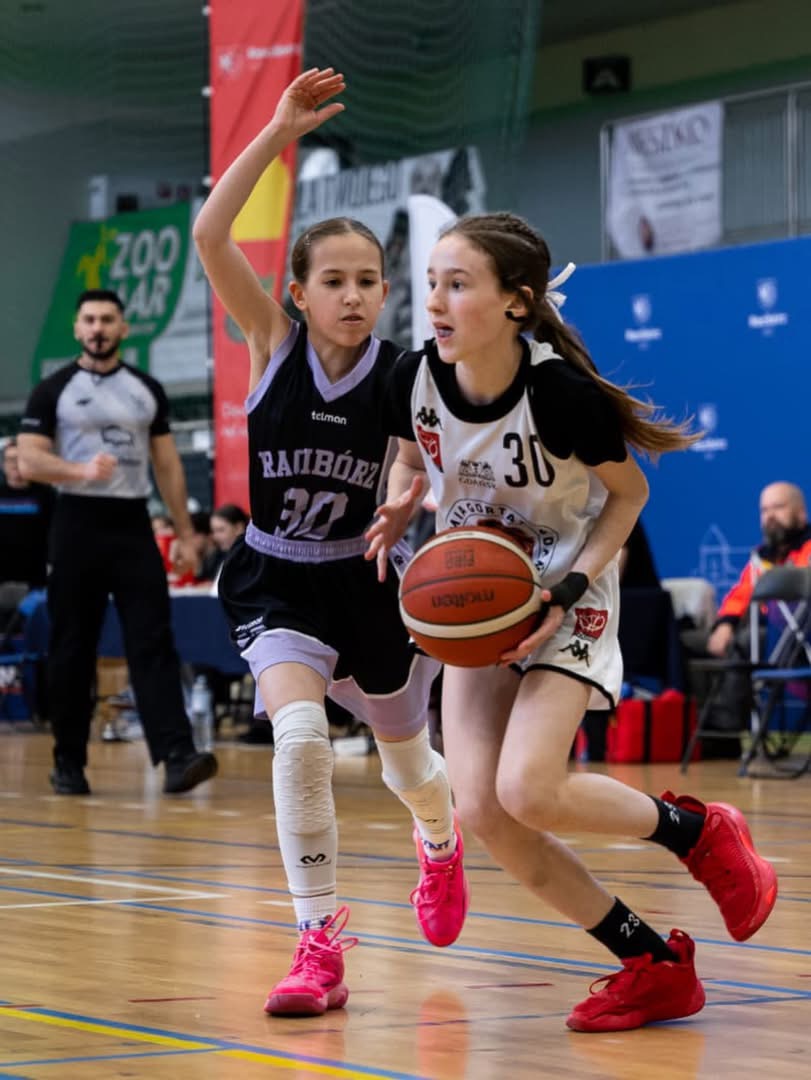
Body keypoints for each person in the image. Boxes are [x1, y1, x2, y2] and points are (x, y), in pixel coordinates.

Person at [366, 210, 778, 1033]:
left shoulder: (557, 394)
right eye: (431, 284)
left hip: (565, 591)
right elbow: (410, 451)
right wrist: (403, 496)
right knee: (483, 810)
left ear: (516, 302)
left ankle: (696, 832)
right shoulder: (411, 377)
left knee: (529, 788)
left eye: (457, 285)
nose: (435, 302)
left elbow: (628, 496)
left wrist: (572, 585)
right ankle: (653, 964)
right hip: (478, 604)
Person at [192, 68, 469, 1017]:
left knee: (408, 765)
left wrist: (402, 498)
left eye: (367, 281)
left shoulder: (401, 373)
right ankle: (318, 944)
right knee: (301, 739)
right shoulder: (270, 343)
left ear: (387, 291)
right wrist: (277, 132)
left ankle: (440, 843)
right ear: (299, 294)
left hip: (364, 579)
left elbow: (414, 460)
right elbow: (210, 233)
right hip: (275, 576)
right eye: (333, 282)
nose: (353, 296)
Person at [17, 289, 218, 797]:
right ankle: (68, 762)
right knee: (72, 645)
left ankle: (177, 755)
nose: (98, 328)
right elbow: (29, 459)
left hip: (131, 523)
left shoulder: (145, 389)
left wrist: (186, 533)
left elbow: (167, 464)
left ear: (123, 328)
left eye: (107, 319)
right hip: (76, 520)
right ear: (77, 328)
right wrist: (79, 470)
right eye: (89, 319)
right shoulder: (53, 390)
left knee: (153, 639)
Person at [707, 481, 811, 658]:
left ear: (801, 513)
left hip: (796, 629)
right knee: (687, 641)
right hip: (760, 626)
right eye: (764, 510)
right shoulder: (761, 557)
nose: (770, 516)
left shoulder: (808, 549)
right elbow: (741, 594)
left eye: (778, 507)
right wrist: (726, 623)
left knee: (744, 642)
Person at [0, 437, 54, 589]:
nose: (15, 464)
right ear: (3, 465)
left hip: (36, 576)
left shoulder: (46, 495)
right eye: (10, 460)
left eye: (19, 459)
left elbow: (55, 531)